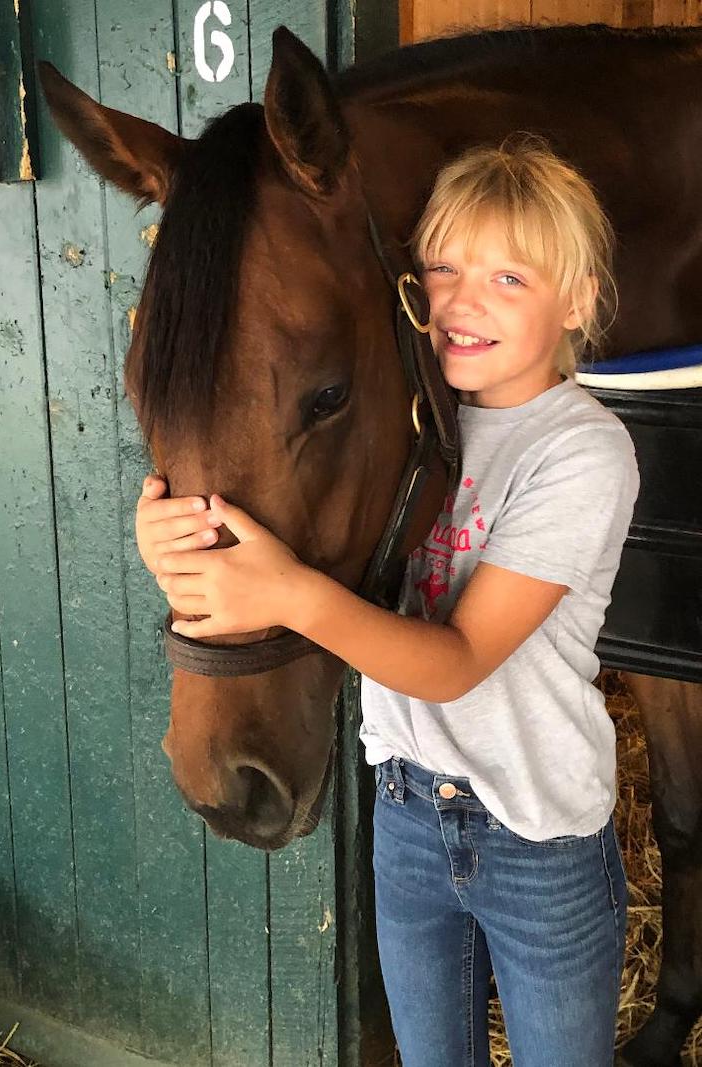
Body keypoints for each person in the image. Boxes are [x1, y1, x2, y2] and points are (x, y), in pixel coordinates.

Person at [134, 136, 640, 1067]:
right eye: (441, 267)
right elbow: (296, 506)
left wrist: (284, 590)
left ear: (578, 300)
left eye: (508, 280)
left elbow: (454, 663)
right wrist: (169, 539)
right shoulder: (413, 415)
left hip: (538, 835)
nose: (462, 300)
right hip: (406, 813)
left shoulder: (580, 451)